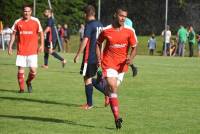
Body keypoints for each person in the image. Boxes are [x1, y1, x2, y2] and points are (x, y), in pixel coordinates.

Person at [96, 7, 137, 129]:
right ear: (115, 15)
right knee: (113, 87)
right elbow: (98, 43)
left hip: (122, 66)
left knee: (112, 90)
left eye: (125, 16)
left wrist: (131, 58)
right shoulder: (106, 30)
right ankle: (117, 117)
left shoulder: (129, 31)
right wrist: (99, 58)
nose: (123, 18)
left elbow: (135, 47)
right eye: (121, 16)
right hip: (109, 63)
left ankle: (97, 82)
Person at [8, 4, 44, 93]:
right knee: (21, 70)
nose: (26, 13)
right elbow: (13, 35)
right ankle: (21, 89)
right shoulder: (18, 22)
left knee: (33, 70)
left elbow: (41, 33)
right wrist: (10, 46)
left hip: (32, 51)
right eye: (25, 11)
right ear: (22, 12)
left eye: (28, 11)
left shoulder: (36, 21)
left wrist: (42, 45)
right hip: (21, 50)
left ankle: (28, 82)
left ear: (31, 12)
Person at [74, 5, 103, 110]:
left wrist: (77, 54)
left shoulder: (89, 25)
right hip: (97, 56)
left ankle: (90, 104)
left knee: (87, 79)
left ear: (85, 14)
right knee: (89, 78)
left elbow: (85, 40)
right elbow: (101, 42)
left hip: (89, 56)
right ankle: (107, 93)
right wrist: (100, 57)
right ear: (94, 13)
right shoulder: (100, 24)